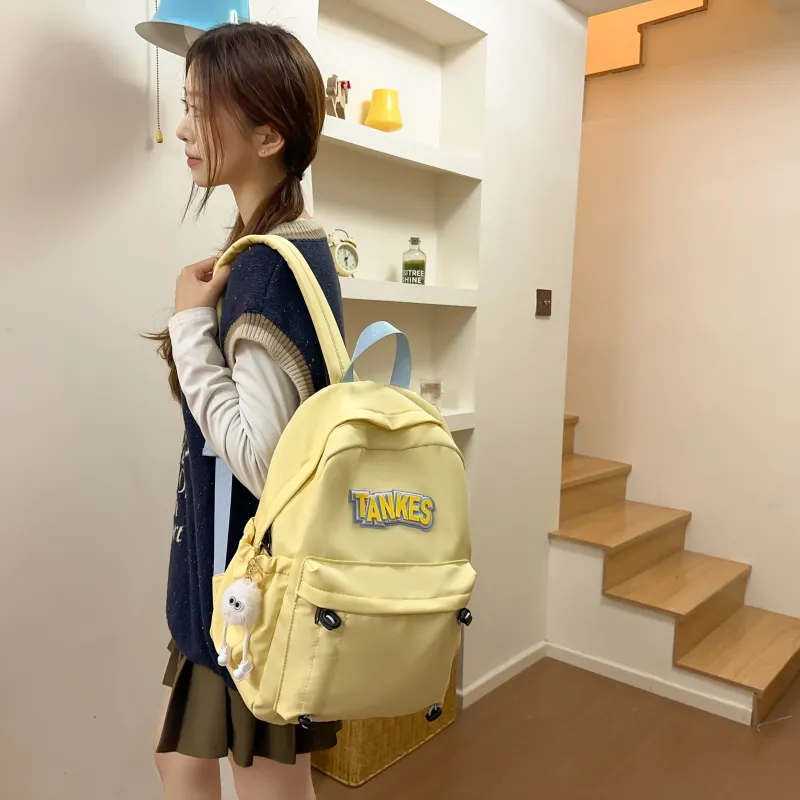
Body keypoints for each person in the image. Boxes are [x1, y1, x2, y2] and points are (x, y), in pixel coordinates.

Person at [149, 22, 343, 800]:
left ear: (268, 135)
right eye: (186, 105)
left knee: (263, 786)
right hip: (235, 581)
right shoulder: (280, 245)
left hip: (251, 591)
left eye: (201, 110)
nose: (183, 129)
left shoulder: (269, 267)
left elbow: (264, 461)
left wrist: (188, 326)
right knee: (180, 762)